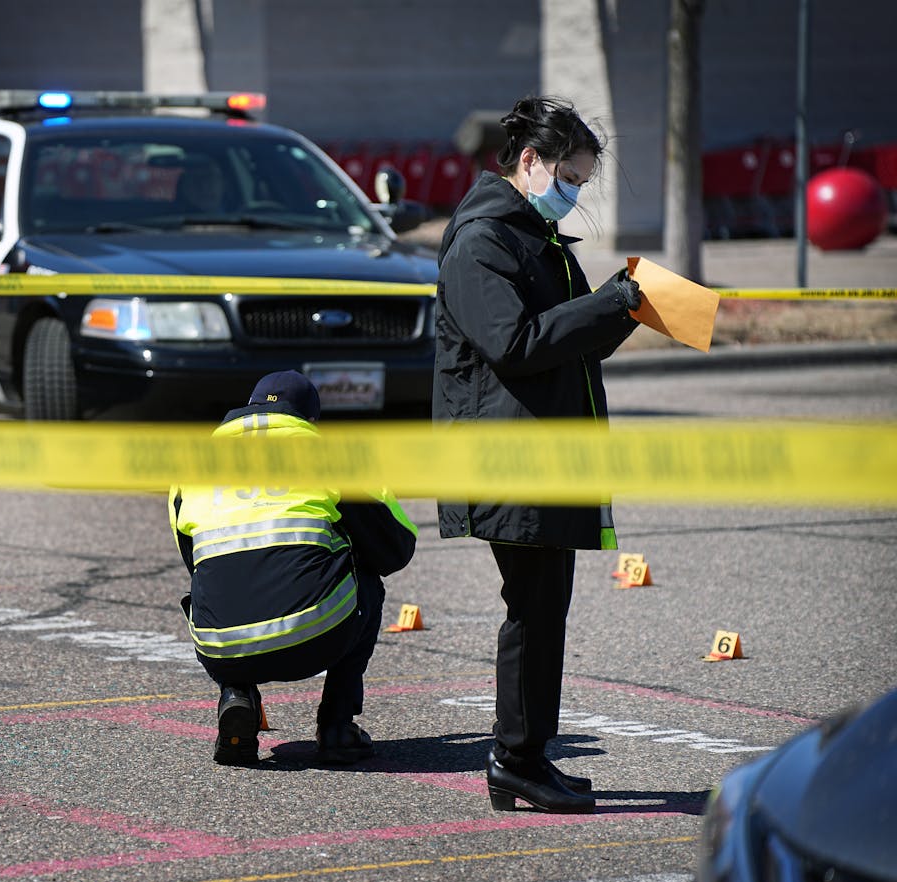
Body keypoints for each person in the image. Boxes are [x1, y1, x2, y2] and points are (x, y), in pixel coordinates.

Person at [432, 95, 643, 814]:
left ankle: (523, 756)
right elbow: (514, 343)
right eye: (571, 177)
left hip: (540, 451)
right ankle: (516, 758)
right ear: (529, 162)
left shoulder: (533, 235)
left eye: (583, 182)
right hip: (506, 455)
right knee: (532, 607)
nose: (575, 193)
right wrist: (609, 305)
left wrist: (627, 309)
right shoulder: (483, 239)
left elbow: (566, 336)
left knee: (544, 606)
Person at [170, 370, 418, 766]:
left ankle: (237, 697)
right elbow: (395, 549)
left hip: (221, 646)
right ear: (309, 421)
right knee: (366, 581)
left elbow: (195, 564)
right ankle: (337, 725)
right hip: (314, 635)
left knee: (220, 582)